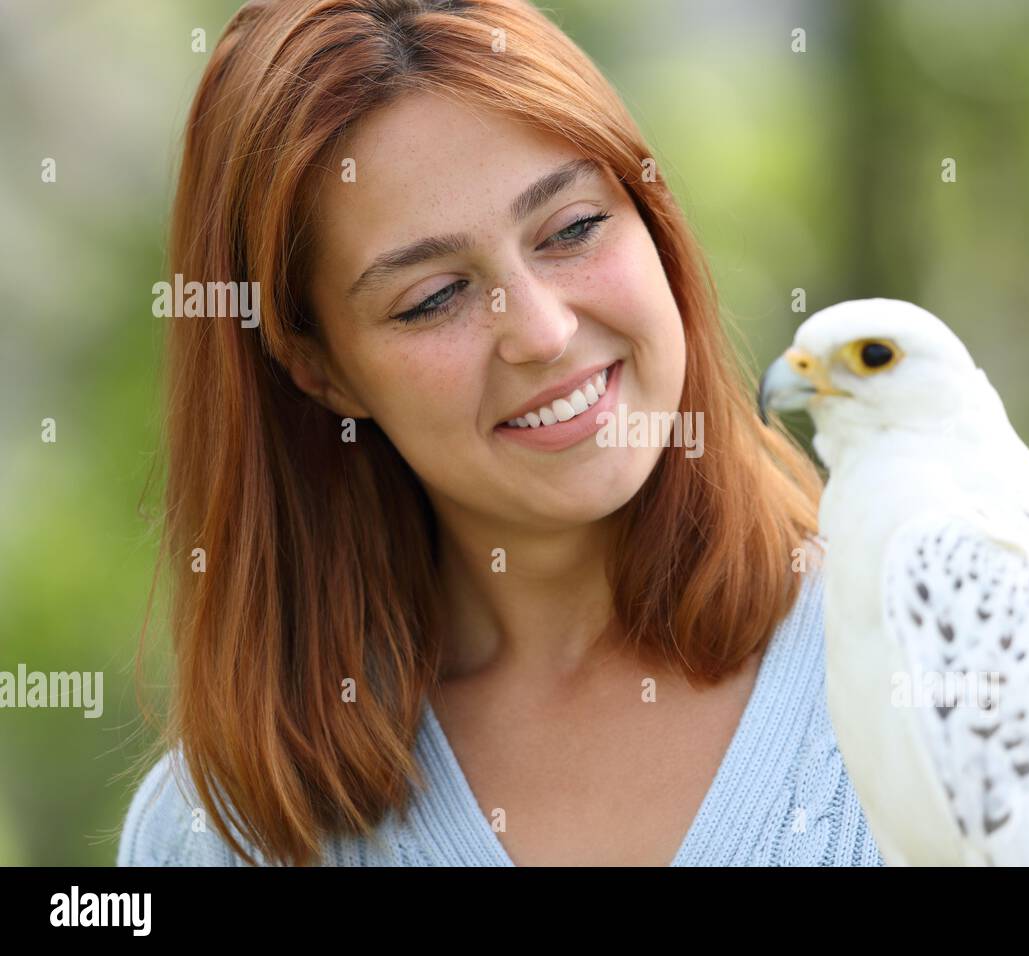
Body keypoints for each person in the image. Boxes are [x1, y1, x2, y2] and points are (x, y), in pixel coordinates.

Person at [116, 0, 885, 867]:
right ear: (320, 369)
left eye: (573, 229)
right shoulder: (220, 834)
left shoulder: (954, 682)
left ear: (651, 217)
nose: (543, 331)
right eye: (433, 298)